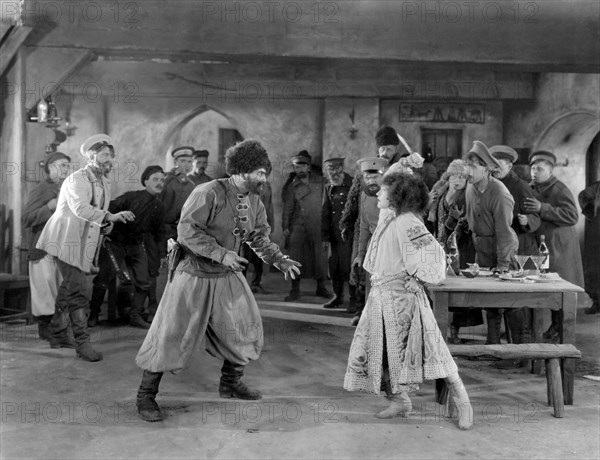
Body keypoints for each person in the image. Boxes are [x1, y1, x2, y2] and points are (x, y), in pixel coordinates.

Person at [134, 139, 301, 422]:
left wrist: (278, 259)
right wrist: (222, 254)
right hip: (194, 274)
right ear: (242, 170)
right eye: (259, 172)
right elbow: (187, 231)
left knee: (243, 329)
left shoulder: (255, 201)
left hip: (226, 276)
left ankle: (230, 383)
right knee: (171, 335)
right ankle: (146, 395)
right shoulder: (208, 192)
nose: (264, 178)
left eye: (265, 172)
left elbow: (258, 237)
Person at [344, 171, 473, 431]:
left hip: (404, 300)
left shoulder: (407, 222)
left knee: (432, 348)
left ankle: (463, 401)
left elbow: (434, 252)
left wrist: (421, 278)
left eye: (384, 191)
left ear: (397, 198)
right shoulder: (389, 216)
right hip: (381, 296)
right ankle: (399, 400)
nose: (379, 193)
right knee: (381, 351)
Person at [36, 134, 135, 361]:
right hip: (64, 240)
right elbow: (81, 209)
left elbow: (95, 215)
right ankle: (82, 343)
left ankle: (57, 332)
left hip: (83, 242)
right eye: (105, 154)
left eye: (111, 154)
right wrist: (110, 216)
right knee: (80, 291)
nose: (110, 158)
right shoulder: (77, 179)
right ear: (92, 155)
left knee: (69, 288)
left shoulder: (103, 181)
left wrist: (106, 225)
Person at [88, 165, 166, 329]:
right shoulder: (131, 197)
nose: (160, 183)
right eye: (155, 179)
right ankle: (93, 316)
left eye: (162, 180)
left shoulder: (159, 206)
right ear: (146, 182)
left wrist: (162, 254)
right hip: (115, 243)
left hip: (136, 245)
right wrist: (109, 224)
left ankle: (135, 316)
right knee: (103, 279)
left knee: (144, 282)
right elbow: (107, 211)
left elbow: (159, 232)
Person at [524, 151, 584, 341]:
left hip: (559, 246)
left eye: (539, 169)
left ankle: (559, 327)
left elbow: (572, 216)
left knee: (560, 288)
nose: (534, 172)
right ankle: (543, 328)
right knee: (544, 286)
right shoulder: (531, 187)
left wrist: (542, 208)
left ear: (550, 171)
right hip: (541, 244)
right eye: (533, 168)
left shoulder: (559, 189)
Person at [464, 141, 519, 345]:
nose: (468, 171)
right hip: (483, 250)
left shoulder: (500, 193)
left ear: (487, 169)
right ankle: (493, 344)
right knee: (490, 301)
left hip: (502, 249)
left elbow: (504, 233)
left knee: (510, 301)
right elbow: (472, 218)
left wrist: (504, 265)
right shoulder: (471, 187)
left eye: (473, 167)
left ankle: (519, 351)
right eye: (467, 166)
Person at [490, 145, 541, 350]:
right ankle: (503, 349)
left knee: (519, 304)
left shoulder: (521, 187)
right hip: (506, 249)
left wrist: (526, 218)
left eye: (498, 165)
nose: (494, 168)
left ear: (510, 165)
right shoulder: (492, 185)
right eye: (491, 164)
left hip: (525, 251)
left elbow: (536, 218)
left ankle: (521, 352)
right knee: (502, 301)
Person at [427, 159, 480, 343]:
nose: (456, 180)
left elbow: (470, 224)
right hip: (439, 243)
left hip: (462, 246)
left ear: (466, 179)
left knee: (458, 287)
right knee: (440, 285)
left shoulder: (468, 196)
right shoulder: (440, 194)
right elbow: (430, 219)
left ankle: (455, 329)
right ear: (447, 177)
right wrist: (428, 203)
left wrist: (459, 220)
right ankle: (437, 326)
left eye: (461, 177)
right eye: (453, 176)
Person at [22, 152, 71, 341]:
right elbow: (26, 218)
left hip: (62, 246)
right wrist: (49, 207)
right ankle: (46, 329)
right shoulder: (42, 189)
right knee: (45, 288)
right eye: (61, 165)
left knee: (59, 289)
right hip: (41, 247)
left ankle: (59, 330)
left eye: (68, 166)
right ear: (50, 167)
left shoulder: (68, 188)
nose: (66, 169)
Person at [281, 150, 330, 301]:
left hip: (318, 224)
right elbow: (288, 208)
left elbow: (328, 205)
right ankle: (295, 290)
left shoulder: (321, 182)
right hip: (299, 224)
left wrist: (327, 227)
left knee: (320, 258)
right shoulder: (292, 186)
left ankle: (321, 288)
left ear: (308, 167)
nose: (299, 170)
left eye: (302, 167)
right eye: (296, 167)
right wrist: (286, 227)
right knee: (295, 256)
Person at [321, 157, 356, 309]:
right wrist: (324, 236)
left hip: (350, 234)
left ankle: (355, 300)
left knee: (349, 266)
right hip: (335, 235)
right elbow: (325, 213)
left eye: (335, 170)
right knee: (334, 266)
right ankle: (338, 297)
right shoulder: (328, 187)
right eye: (330, 171)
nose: (333, 174)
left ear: (342, 169)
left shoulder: (354, 184)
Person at [243, 180, 274, 293]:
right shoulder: (244, 183)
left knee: (259, 257)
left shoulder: (267, 185)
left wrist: (271, 225)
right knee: (244, 257)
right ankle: (242, 285)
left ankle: (256, 283)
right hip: (246, 226)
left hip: (261, 226)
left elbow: (269, 207)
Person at [161, 146, 196, 241]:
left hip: (180, 231)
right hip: (162, 229)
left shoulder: (191, 185)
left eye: (189, 162)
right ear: (175, 162)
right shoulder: (165, 179)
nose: (187, 165)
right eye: (183, 161)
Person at [579, 181, 600, 315]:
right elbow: (584, 196)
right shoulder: (598, 187)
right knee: (595, 265)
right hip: (598, 228)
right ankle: (597, 302)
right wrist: (592, 212)